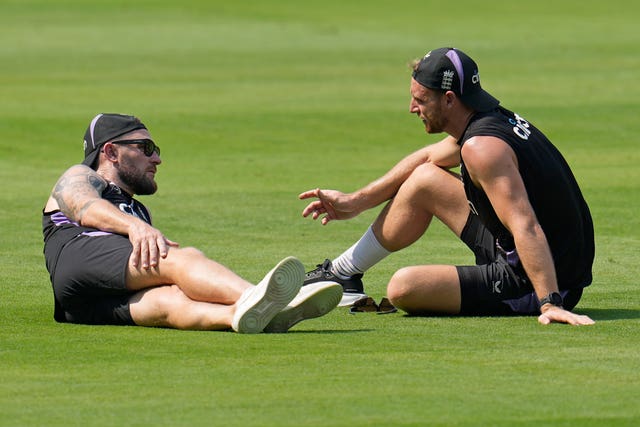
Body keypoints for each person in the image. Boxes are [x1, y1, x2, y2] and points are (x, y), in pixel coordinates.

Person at [300, 47, 595, 325]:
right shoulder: (486, 121)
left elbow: (525, 225)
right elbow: (428, 157)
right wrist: (355, 202)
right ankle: (341, 274)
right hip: (528, 252)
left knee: (404, 286)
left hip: (538, 279)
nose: (412, 108)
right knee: (425, 179)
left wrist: (550, 302)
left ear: (450, 99)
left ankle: (548, 299)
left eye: (421, 99)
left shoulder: (482, 149)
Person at [42, 113, 342, 333]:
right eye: (146, 148)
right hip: (79, 253)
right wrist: (135, 227)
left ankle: (244, 315)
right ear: (110, 152)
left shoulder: (138, 210)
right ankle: (262, 297)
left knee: (168, 301)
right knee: (180, 259)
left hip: (77, 302)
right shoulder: (84, 176)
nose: (156, 159)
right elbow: (81, 205)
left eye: (156, 150)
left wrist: (138, 224)